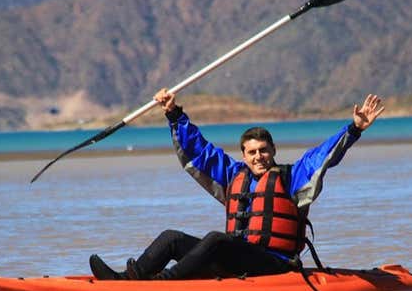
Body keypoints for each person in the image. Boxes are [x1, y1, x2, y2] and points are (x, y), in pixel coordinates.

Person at [89, 88, 385, 280]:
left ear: (273, 151)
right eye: (252, 152)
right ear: (243, 155)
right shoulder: (234, 177)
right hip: (235, 260)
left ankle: (164, 285)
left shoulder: (291, 176)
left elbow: (324, 155)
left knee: (218, 239)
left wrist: (354, 129)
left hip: (274, 265)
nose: (259, 157)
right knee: (172, 237)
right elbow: (200, 151)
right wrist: (174, 112)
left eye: (264, 150)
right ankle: (127, 280)